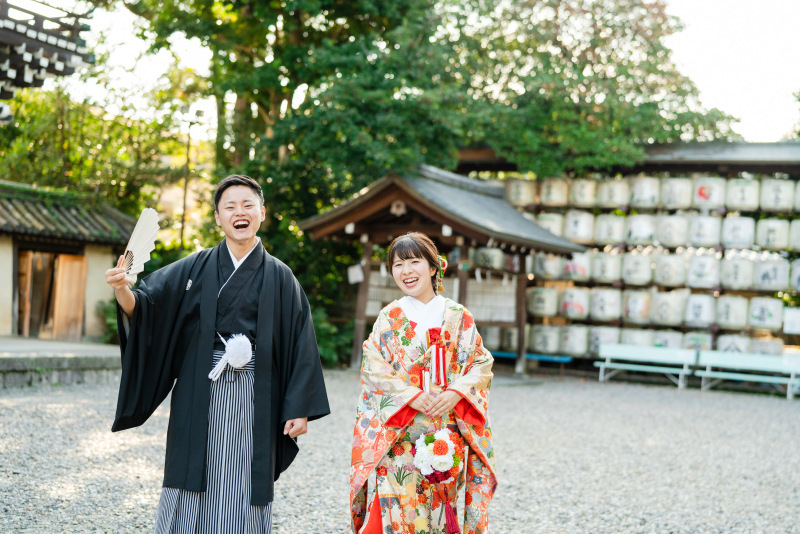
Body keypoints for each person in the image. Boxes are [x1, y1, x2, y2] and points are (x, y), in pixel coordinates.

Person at [105, 174, 330, 533]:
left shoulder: (280, 276)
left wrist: (299, 408)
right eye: (230, 206)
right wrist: (122, 290)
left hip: (257, 392)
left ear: (262, 212)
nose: (239, 212)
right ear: (217, 217)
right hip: (201, 384)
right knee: (192, 469)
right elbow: (148, 309)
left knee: (245, 471)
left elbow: (300, 343)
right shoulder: (196, 266)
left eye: (247, 205)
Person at [350, 232, 497, 534]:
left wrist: (457, 392)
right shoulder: (389, 317)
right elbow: (372, 366)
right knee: (399, 505)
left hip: (446, 433)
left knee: (442, 506)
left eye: (414, 262)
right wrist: (408, 395)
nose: (406, 271)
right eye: (398, 264)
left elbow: (481, 363)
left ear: (433, 267)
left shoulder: (459, 317)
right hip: (400, 432)